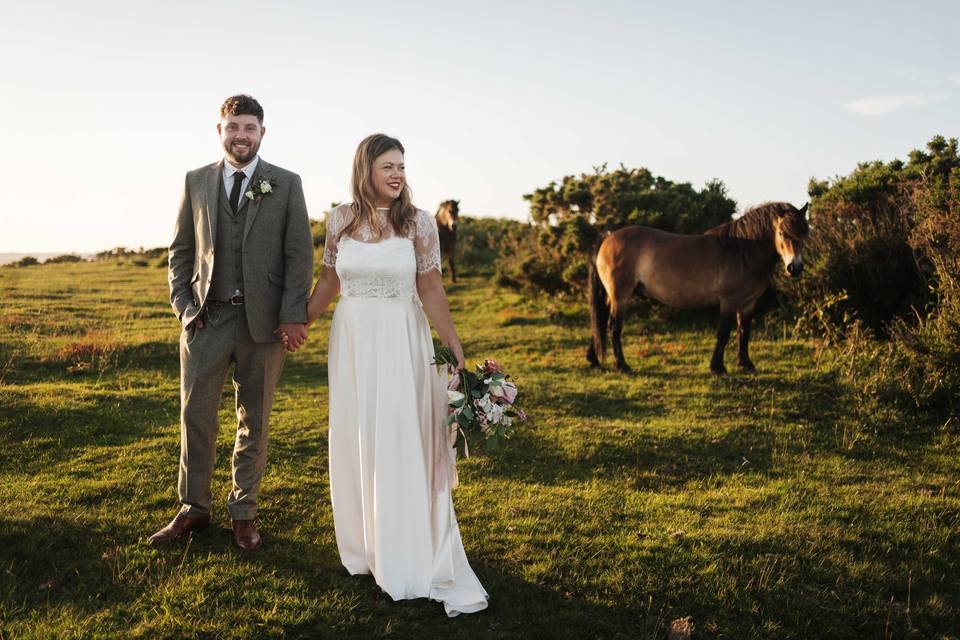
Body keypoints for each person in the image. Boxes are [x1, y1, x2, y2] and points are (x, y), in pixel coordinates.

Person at [299, 133, 488, 615]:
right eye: (387, 166)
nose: (397, 174)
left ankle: (407, 545)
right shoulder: (340, 219)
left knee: (401, 435)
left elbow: (431, 287)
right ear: (365, 170)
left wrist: (452, 341)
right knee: (360, 433)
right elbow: (329, 280)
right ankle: (366, 545)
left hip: (402, 338)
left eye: (401, 166)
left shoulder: (418, 222)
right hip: (353, 340)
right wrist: (299, 323)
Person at [149, 94, 313, 550]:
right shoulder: (195, 180)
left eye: (250, 128)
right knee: (195, 415)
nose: (242, 135)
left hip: (264, 325)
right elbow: (180, 251)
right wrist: (185, 307)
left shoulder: (286, 183)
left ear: (262, 133)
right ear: (219, 130)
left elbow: (300, 255)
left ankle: (244, 512)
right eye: (234, 127)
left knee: (254, 419)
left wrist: (292, 316)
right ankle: (193, 508)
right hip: (208, 317)